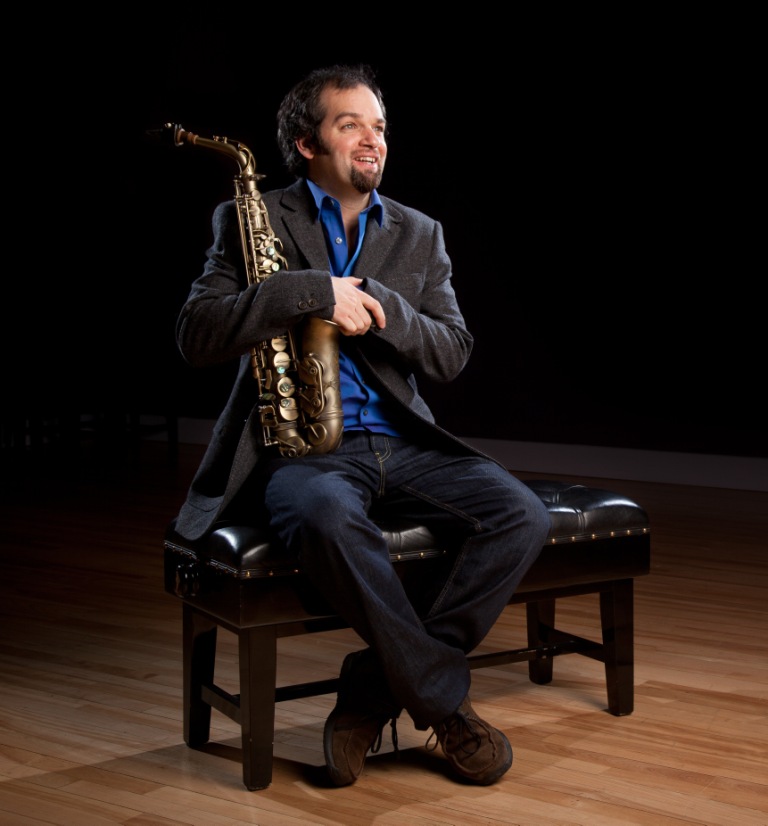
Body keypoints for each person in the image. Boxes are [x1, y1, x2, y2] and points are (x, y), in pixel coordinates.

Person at [172, 64, 552, 787]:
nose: (372, 139)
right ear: (305, 141)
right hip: (305, 456)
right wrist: (312, 292)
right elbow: (195, 333)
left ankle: (372, 689)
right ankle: (446, 711)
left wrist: (380, 304)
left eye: (379, 126)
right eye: (351, 124)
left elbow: (452, 352)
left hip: (406, 445)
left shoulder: (419, 234)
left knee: (521, 515)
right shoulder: (249, 217)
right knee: (320, 517)